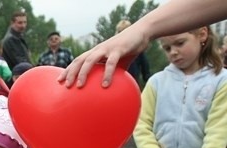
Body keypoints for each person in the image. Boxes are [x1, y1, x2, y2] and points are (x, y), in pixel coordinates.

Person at [59, 0, 227, 88]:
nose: (174, 52)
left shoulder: (221, 81)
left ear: (202, 34)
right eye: (167, 48)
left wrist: (143, 30)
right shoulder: (159, 83)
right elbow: (144, 124)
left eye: (180, 43)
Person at [34, 31, 75, 148]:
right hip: (49, 91)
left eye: (56, 39)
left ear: (60, 40)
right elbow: (39, 71)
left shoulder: (67, 53)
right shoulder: (43, 56)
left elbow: (73, 68)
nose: (54, 41)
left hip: (65, 90)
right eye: (51, 39)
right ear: (48, 42)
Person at [115, 20, 151, 86]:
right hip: (117, 85)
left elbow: (146, 72)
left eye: (126, 31)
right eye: (121, 32)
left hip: (132, 85)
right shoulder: (114, 51)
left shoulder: (137, 51)